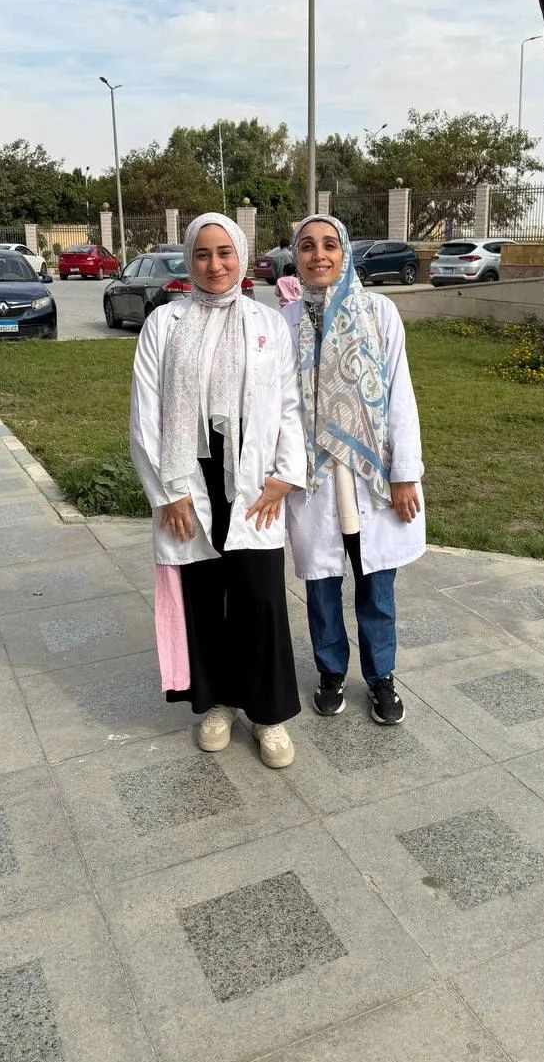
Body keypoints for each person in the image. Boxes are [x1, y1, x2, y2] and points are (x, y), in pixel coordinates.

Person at [130, 213, 306, 768]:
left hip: (253, 479)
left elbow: (288, 405)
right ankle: (219, 704)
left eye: (224, 252)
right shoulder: (164, 323)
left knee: (260, 596)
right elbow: (146, 413)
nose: (214, 265)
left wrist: (285, 473)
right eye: (203, 254)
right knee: (205, 597)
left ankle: (268, 714)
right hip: (190, 476)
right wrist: (169, 493)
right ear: (189, 259)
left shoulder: (267, 323)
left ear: (242, 256)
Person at [283, 216, 425, 726]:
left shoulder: (379, 312)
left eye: (329, 245)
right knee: (321, 588)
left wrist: (404, 473)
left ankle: (381, 676)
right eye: (307, 246)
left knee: (376, 587)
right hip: (315, 477)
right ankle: (331, 672)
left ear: (344, 253)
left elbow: (399, 393)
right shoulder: (286, 321)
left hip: (372, 475)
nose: (318, 255)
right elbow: (279, 405)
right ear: (296, 257)